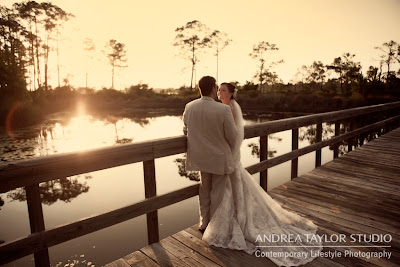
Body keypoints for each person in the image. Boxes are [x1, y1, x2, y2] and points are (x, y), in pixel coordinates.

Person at [201, 82, 323, 266]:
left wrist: (228, 153)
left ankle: (237, 221)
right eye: (218, 89)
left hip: (229, 155)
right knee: (231, 188)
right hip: (223, 155)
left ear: (232, 93)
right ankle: (228, 219)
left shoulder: (231, 108)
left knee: (233, 186)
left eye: (223, 90)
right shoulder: (222, 108)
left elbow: (234, 135)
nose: (219, 92)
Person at [182, 76, 238, 231]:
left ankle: (204, 222)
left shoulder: (190, 106)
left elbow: (185, 130)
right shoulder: (223, 109)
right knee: (218, 194)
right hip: (219, 158)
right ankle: (215, 226)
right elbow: (232, 137)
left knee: (204, 190)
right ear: (213, 89)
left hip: (200, 157)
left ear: (199, 89)